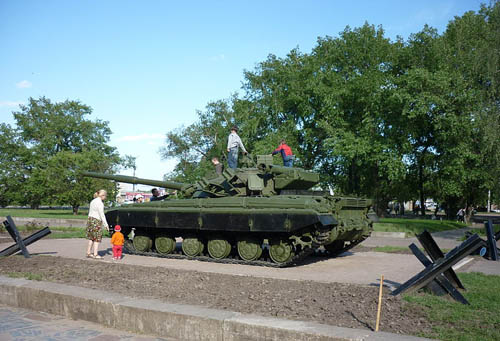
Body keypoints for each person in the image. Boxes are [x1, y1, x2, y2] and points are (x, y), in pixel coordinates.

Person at [86, 189, 109, 259]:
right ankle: (96, 254)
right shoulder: (100, 203)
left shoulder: (93, 201)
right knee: (97, 238)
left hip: (90, 220)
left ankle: (88, 252)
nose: (105, 198)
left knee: (91, 237)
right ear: (103, 195)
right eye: (105, 196)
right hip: (96, 221)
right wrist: (106, 225)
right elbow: (102, 214)